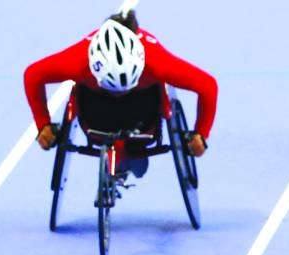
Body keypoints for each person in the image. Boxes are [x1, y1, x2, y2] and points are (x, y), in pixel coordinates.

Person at [24, 10, 217, 178]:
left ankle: (128, 150)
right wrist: (43, 124)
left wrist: (201, 133)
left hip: (142, 105)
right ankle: (123, 151)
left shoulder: (156, 62)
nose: (118, 94)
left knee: (138, 125)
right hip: (95, 105)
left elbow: (208, 86)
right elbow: (32, 75)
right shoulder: (78, 60)